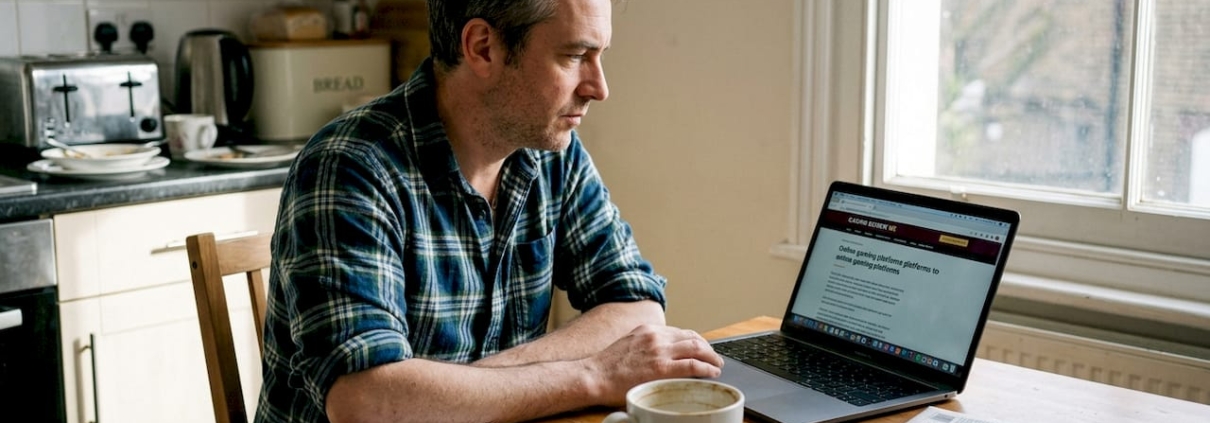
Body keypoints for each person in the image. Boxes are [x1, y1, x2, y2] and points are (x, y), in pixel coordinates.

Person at [255, 0, 725, 422]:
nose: (598, 87)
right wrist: (591, 374)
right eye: (574, 55)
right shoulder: (349, 166)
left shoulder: (552, 154)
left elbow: (638, 309)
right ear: (482, 47)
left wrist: (452, 391)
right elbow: (368, 405)